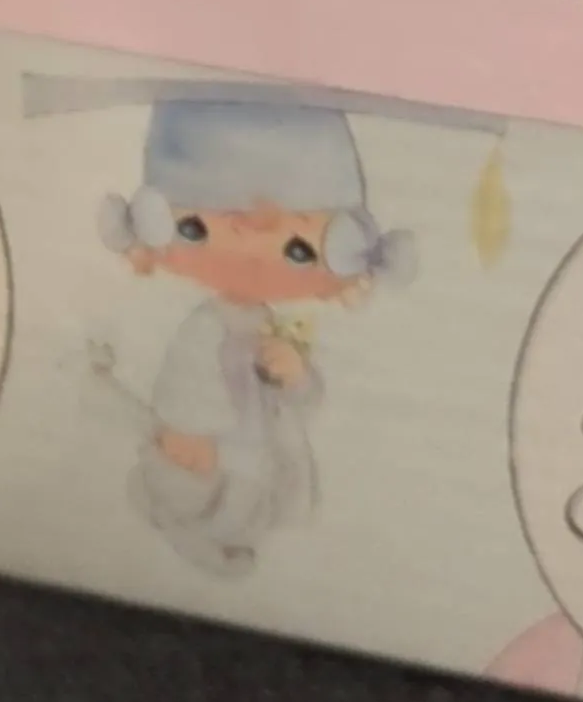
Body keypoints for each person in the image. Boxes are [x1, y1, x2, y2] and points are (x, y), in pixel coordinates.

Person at [87, 94, 416, 576]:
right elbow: (185, 383)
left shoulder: (266, 326)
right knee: (206, 503)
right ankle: (195, 539)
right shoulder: (206, 326)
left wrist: (295, 374)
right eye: (195, 228)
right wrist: (185, 432)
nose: (251, 258)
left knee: (245, 505)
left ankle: (215, 540)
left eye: (298, 250)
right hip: (211, 452)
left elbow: (301, 400)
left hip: (252, 456)